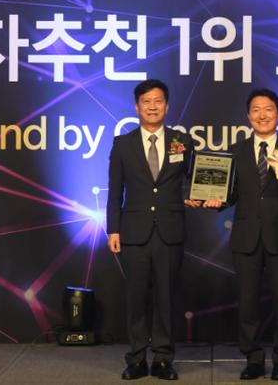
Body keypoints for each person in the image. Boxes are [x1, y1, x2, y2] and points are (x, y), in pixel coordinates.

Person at [202, 89, 278, 381]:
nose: (262, 115)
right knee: (247, 303)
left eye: (268, 109)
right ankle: (253, 359)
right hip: (246, 238)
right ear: (248, 116)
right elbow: (231, 192)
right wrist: (215, 200)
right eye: (256, 110)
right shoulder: (235, 152)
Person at [107, 79, 194, 381]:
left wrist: (206, 195)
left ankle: (163, 359)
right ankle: (136, 359)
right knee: (135, 298)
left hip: (170, 231)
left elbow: (194, 178)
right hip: (133, 233)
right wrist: (113, 229)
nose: (152, 107)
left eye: (158, 101)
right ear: (137, 107)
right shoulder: (123, 144)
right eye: (146, 102)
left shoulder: (182, 141)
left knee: (166, 299)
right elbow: (115, 191)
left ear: (167, 106)